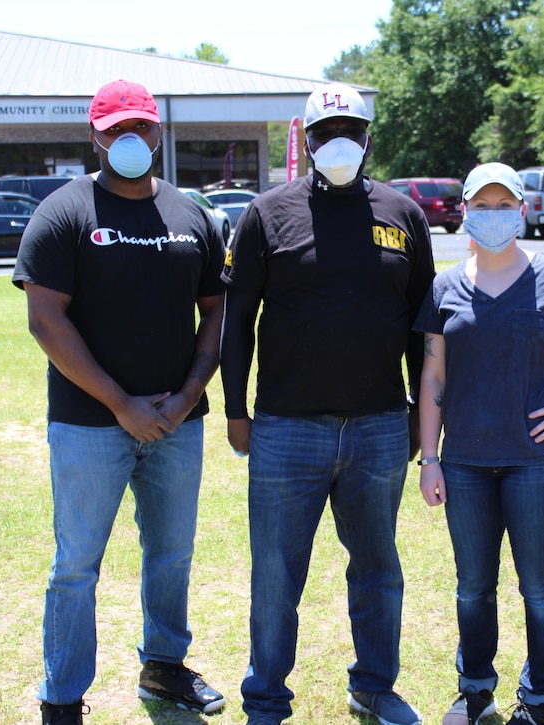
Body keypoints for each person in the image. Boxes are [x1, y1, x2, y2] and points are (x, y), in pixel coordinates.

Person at [13, 79, 228, 725]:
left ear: (158, 132)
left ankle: (164, 667)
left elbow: (217, 314)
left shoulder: (192, 215)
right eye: (116, 129)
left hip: (177, 424)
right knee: (76, 564)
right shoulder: (64, 212)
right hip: (89, 424)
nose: (130, 138)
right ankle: (62, 696)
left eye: (141, 126)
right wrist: (120, 403)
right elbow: (46, 321)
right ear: (95, 136)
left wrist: (188, 396)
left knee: (172, 553)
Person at [219, 82, 435, 725]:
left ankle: (374, 686)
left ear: (369, 139)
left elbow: (422, 329)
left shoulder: (404, 214)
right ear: (307, 139)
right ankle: (265, 697)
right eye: (325, 132)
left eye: (351, 130)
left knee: (377, 569)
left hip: (380, 425)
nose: (339, 141)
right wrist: (236, 410)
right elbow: (237, 320)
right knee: (276, 576)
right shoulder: (267, 213)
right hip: (287, 428)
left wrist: (419, 418)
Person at [414, 163, 544, 725]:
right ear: (465, 212)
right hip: (464, 463)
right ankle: (476, 692)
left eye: (503, 205)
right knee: (472, 587)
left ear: (522, 210)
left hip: (537, 462)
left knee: (538, 587)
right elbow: (433, 376)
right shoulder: (444, 287)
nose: (493, 216)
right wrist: (430, 458)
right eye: (481, 206)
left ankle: (540, 703)